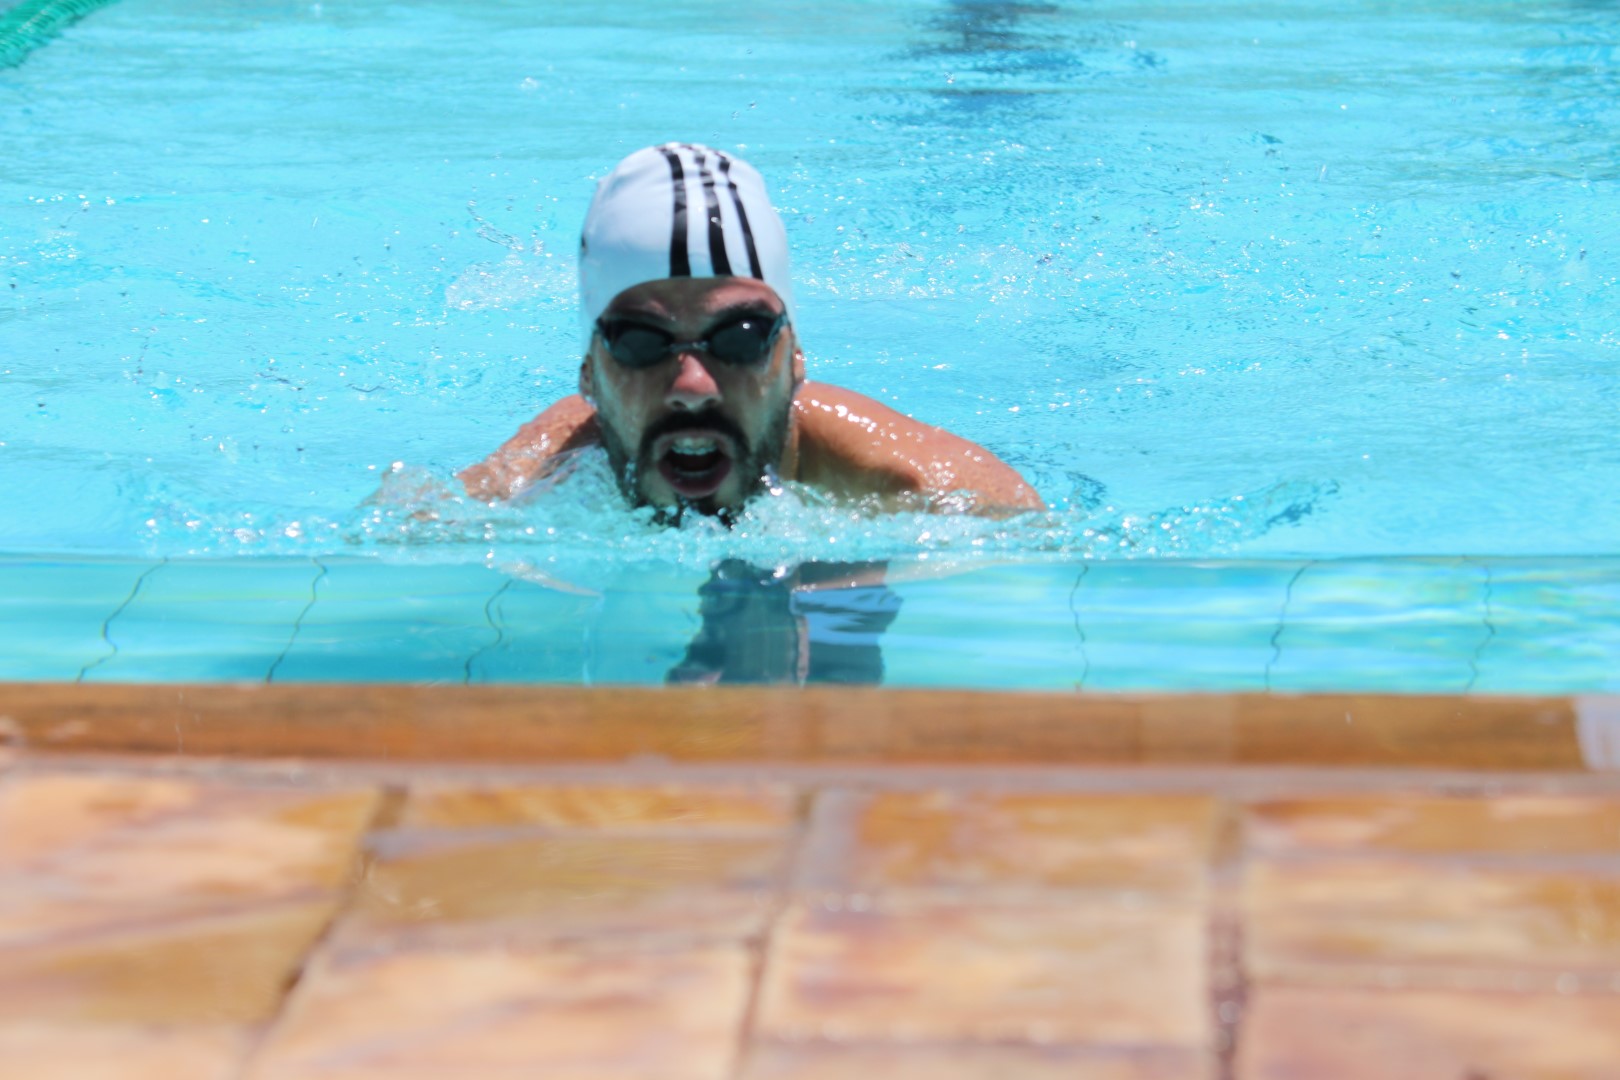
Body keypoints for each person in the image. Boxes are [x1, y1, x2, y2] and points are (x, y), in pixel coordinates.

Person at [459, 143, 1041, 521]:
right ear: (589, 374)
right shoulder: (528, 483)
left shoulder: (934, 498)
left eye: (739, 336)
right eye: (641, 343)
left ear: (794, 358)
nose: (692, 384)